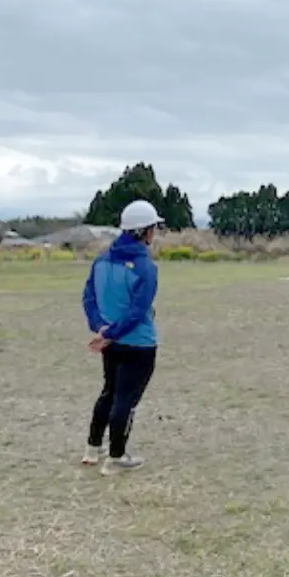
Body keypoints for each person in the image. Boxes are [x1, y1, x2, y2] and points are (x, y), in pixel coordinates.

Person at [80, 199, 163, 476]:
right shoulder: (145, 267)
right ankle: (116, 457)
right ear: (144, 231)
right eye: (153, 228)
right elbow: (138, 310)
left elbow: (89, 297)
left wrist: (102, 329)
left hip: (111, 343)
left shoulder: (101, 261)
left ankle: (93, 448)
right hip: (139, 344)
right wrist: (111, 333)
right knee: (126, 401)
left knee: (109, 392)